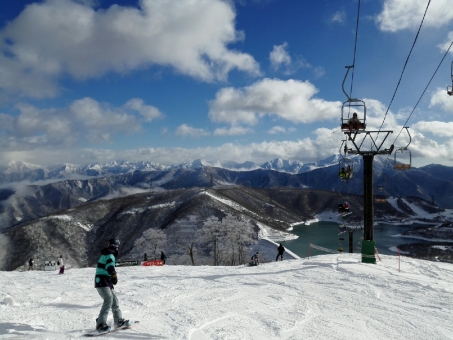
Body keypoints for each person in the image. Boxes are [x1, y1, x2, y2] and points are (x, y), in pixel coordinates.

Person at [94, 238, 130, 333]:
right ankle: (100, 324)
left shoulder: (108, 254)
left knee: (114, 301)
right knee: (108, 300)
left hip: (106, 281)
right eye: (116, 246)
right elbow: (109, 266)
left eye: (118, 246)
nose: (117, 248)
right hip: (102, 281)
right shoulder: (110, 255)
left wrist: (111, 276)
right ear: (113, 246)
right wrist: (113, 274)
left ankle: (118, 321)